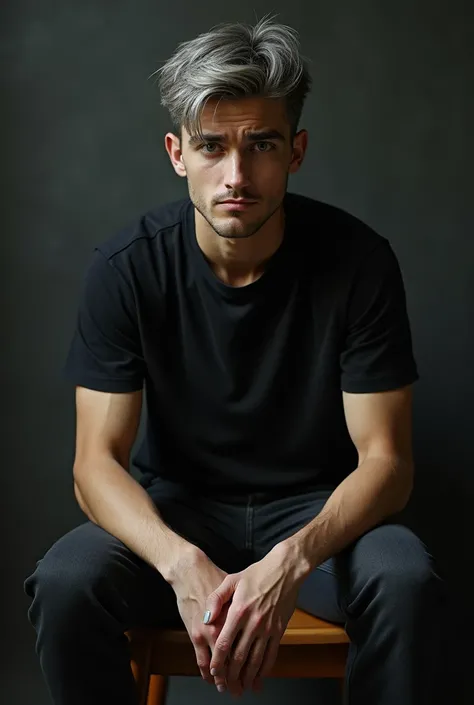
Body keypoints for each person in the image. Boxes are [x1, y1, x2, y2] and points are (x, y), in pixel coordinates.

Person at [25, 16, 444, 705]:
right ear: (176, 153)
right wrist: (179, 561)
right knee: (67, 581)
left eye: (262, 145)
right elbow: (94, 463)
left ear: (297, 151)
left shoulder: (359, 262)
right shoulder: (125, 269)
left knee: (406, 579)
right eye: (212, 147)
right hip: (179, 511)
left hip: (318, 514)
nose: (237, 175)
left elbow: (387, 463)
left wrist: (291, 560)